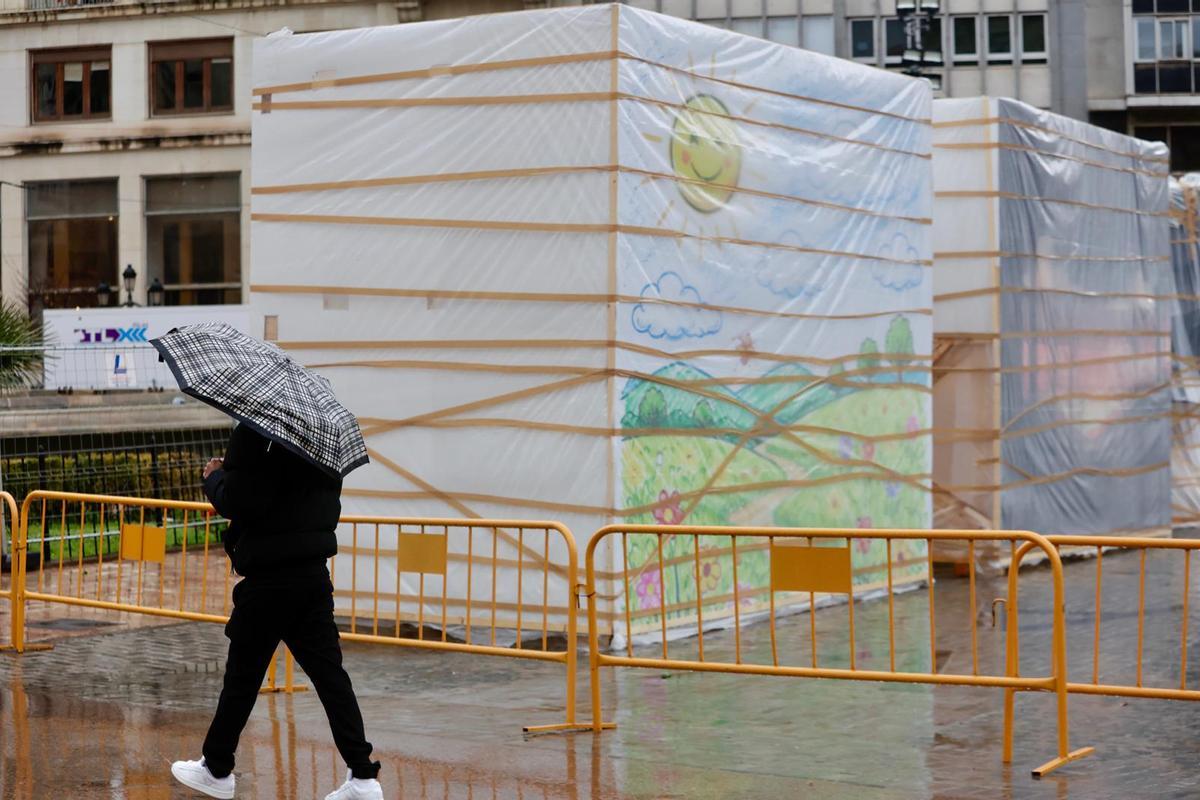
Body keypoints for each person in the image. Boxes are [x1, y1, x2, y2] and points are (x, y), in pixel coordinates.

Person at [171, 423, 383, 800]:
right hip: (313, 577)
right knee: (331, 677)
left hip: (269, 579)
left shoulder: (255, 433)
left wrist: (215, 477)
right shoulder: (322, 440)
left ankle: (217, 770)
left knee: (242, 678)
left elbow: (239, 499)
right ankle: (364, 776)